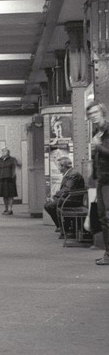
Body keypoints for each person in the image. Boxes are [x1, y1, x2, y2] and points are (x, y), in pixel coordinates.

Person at [87, 101, 109, 265]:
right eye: (90, 114)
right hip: (102, 180)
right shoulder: (97, 132)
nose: (93, 116)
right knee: (103, 217)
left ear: (102, 112)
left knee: (107, 217)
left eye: (95, 112)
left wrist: (98, 146)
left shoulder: (107, 131)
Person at [43, 156, 86, 239]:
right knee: (49, 205)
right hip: (70, 198)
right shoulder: (70, 173)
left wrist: (55, 196)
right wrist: (56, 197)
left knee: (50, 206)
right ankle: (63, 227)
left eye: (58, 165)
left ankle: (64, 228)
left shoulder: (73, 174)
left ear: (63, 166)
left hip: (73, 199)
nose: (57, 167)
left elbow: (67, 189)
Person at [0, 148, 19, 215]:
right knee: (4, 195)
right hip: (1, 179)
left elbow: (18, 165)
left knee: (10, 195)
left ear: (9, 153)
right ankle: (6, 209)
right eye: (3, 151)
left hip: (10, 179)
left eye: (6, 151)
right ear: (2, 152)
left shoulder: (12, 159)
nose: (5, 152)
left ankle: (10, 209)